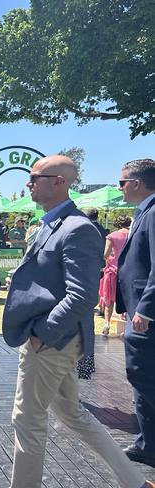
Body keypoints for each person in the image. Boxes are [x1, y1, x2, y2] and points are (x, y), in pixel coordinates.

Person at [2, 155, 153, 488]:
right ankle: (136, 483)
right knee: (73, 414)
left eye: (35, 177)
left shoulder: (77, 228)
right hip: (52, 339)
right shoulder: (52, 223)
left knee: (27, 420)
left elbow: (81, 295)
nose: (28, 183)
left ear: (60, 182)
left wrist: (44, 333)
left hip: (52, 342)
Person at [116, 158, 155, 469]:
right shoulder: (145, 212)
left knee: (143, 376)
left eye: (122, 182)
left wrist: (145, 309)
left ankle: (149, 444)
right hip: (139, 310)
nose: (120, 188)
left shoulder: (153, 214)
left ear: (137, 183)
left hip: (145, 316)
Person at [99, 215, 132, 336]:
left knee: (109, 300)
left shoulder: (112, 236)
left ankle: (107, 325)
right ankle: (128, 325)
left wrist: (111, 257)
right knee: (128, 299)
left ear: (117, 224)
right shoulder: (132, 234)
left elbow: (106, 254)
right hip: (129, 269)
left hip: (113, 270)